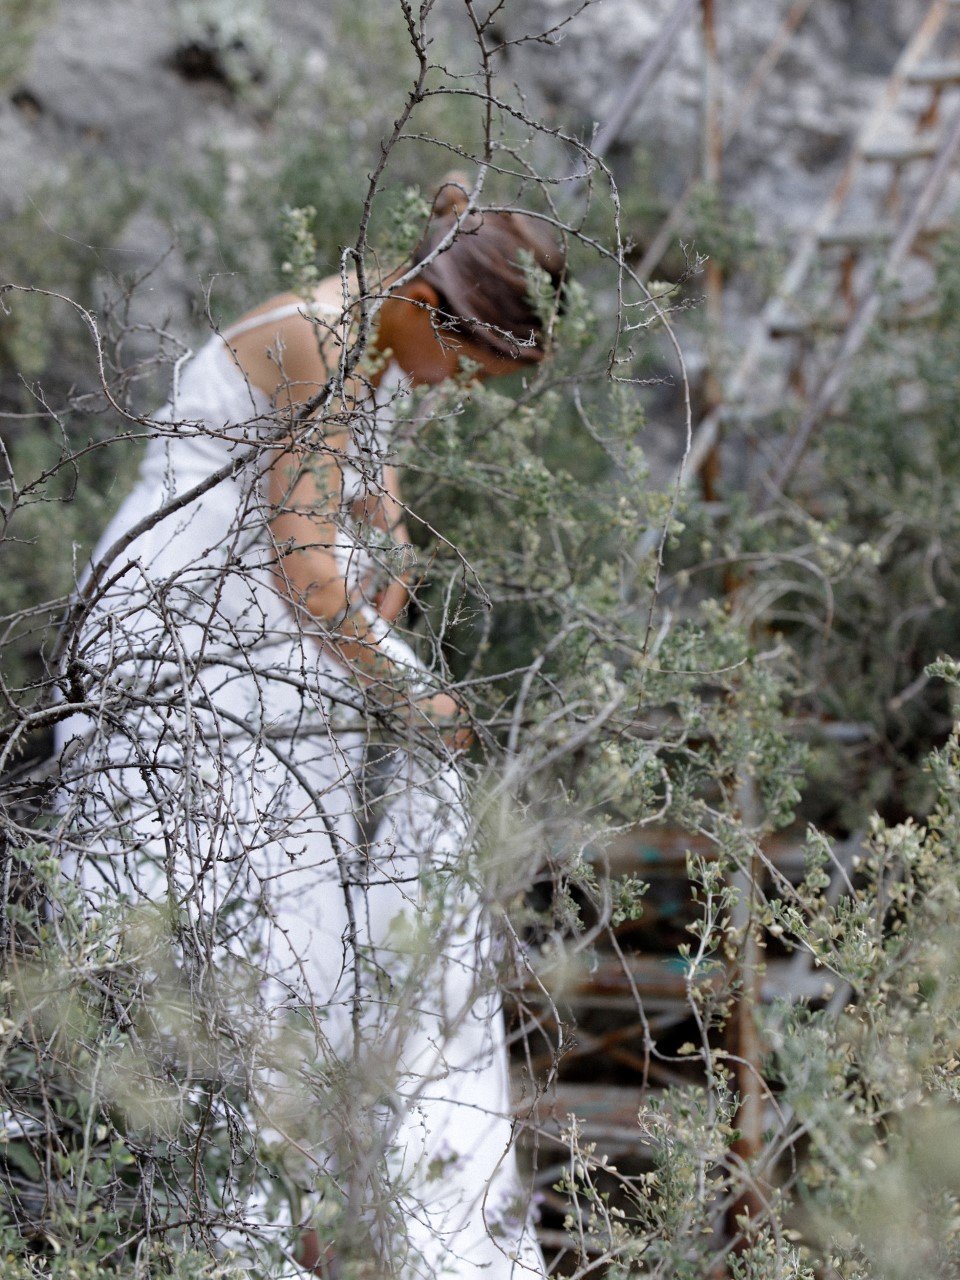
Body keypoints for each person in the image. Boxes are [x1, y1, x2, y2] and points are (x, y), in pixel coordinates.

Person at [52, 177, 566, 1279]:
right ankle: (199, 1212)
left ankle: (316, 1195)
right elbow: (307, 571)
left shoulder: (378, 352)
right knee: (207, 909)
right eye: (472, 366)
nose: (465, 389)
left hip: (267, 643)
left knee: (299, 910)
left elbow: (371, 547)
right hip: (186, 636)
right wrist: (419, 695)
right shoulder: (319, 341)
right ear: (433, 310)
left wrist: (388, 577)